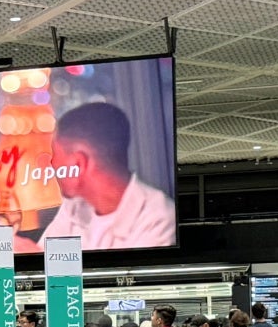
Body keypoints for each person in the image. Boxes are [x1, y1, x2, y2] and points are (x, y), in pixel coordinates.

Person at [39, 101, 177, 250]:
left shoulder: (158, 219)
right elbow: (45, 259)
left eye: (55, 155)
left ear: (79, 164)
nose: (52, 165)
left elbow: (128, 273)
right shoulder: (74, 208)